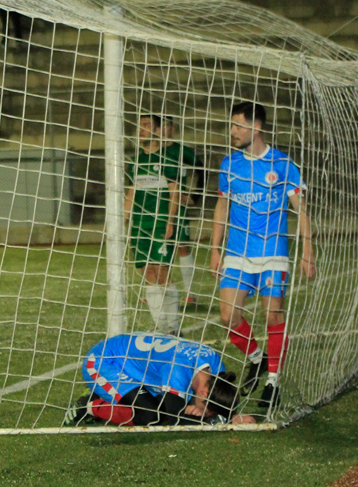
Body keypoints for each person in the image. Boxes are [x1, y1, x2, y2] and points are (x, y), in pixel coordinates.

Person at [211, 102, 315, 407]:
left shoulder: (283, 165)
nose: (232, 131)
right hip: (237, 251)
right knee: (229, 317)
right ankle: (257, 357)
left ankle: (272, 382)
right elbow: (222, 206)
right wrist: (215, 249)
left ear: (257, 128)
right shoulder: (229, 165)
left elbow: (302, 211)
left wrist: (307, 250)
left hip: (273, 251)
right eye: (232, 125)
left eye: (238, 126)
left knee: (273, 314)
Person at [64, 332, 253, 427]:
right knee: (151, 416)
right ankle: (90, 405)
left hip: (136, 367)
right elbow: (171, 418)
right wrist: (217, 423)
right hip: (104, 362)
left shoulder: (215, 368)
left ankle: (112, 395)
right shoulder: (178, 369)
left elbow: (220, 398)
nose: (205, 415)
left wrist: (234, 415)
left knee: (156, 406)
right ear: (202, 393)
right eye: (207, 412)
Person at [125, 115, 183, 334]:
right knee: (147, 272)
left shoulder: (168, 159)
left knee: (161, 272)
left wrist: (170, 221)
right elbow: (131, 192)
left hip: (159, 223)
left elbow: (174, 191)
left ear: (158, 130)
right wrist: (122, 218)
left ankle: (173, 326)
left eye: (147, 126)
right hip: (140, 225)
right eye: (140, 126)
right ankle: (161, 326)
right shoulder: (135, 161)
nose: (142, 130)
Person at [160, 117, 205, 304]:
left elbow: (201, 170)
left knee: (182, 246)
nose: (162, 129)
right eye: (159, 125)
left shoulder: (181, 151)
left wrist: (194, 196)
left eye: (166, 125)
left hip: (176, 207)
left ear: (172, 127)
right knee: (157, 247)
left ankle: (189, 292)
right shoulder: (149, 152)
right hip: (153, 208)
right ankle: (158, 286)